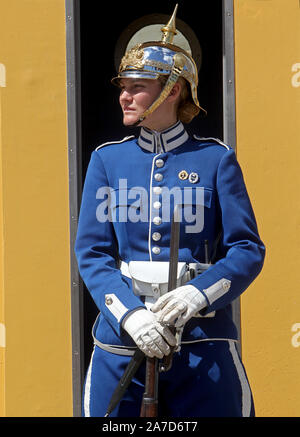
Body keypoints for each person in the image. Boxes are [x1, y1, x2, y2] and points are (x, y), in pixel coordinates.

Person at [75, 5, 265, 417]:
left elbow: (247, 249)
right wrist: (131, 317)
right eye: (123, 85)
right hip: (122, 343)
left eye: (138, 85)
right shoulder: (107, 161)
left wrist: (197, 294)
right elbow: (92, 254)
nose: (124, 95)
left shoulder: (215, 160)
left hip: (202, 344)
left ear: (173, 89)